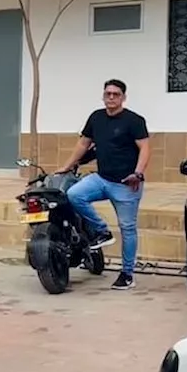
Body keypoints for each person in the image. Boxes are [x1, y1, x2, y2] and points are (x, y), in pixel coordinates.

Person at [58, 79, 150, 290]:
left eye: (116, 94)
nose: (111, 97)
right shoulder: (96, 117)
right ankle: (101, 230)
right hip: (101, 179)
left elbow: (145, 148)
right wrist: (66, 166)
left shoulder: (134, 120)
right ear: (103, 95)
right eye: (108, 93)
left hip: (127, 184)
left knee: (128, 229)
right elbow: (83, 143)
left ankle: (127, 274)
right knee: (74, 194)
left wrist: (138, 173)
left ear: (123, 98)